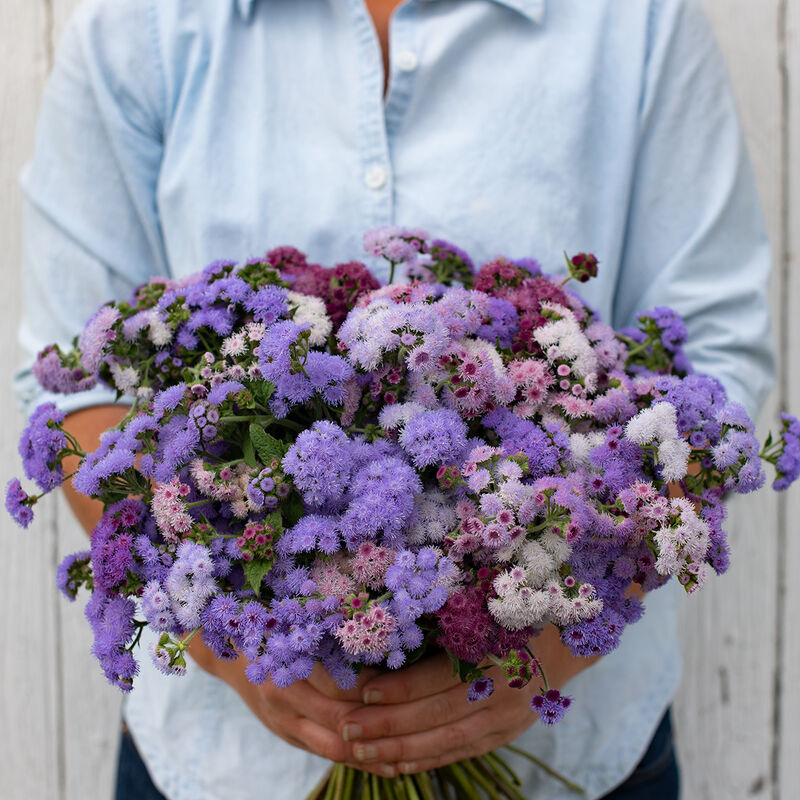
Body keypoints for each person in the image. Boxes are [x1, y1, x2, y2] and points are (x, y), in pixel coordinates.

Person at [15, 0, 774, 798]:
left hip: (581, 751)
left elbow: (713, 353)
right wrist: (236, 646)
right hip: (223, 765)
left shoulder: (639, 22)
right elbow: (72, 378)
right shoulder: (138, 28)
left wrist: (558, 639)